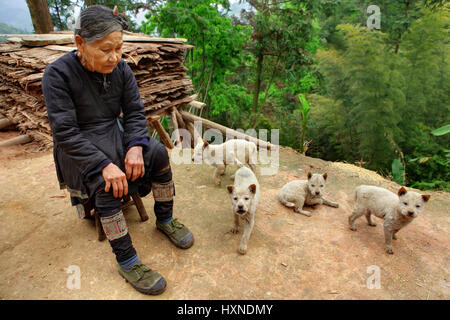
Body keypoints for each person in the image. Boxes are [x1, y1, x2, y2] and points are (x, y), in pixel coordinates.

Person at [42, 5, 194, 295]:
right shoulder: (57, 75)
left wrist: (136, 146)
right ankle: (127, 259)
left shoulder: (121, 69)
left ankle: (165, 219)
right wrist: (103, 165)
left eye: (119, 48)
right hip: (79, 148)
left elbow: (135, 112)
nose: (114, 57)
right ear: (80, 44)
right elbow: (64, 132)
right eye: (105, 49)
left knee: (158, 152)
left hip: (115, 132)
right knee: (105, 181)